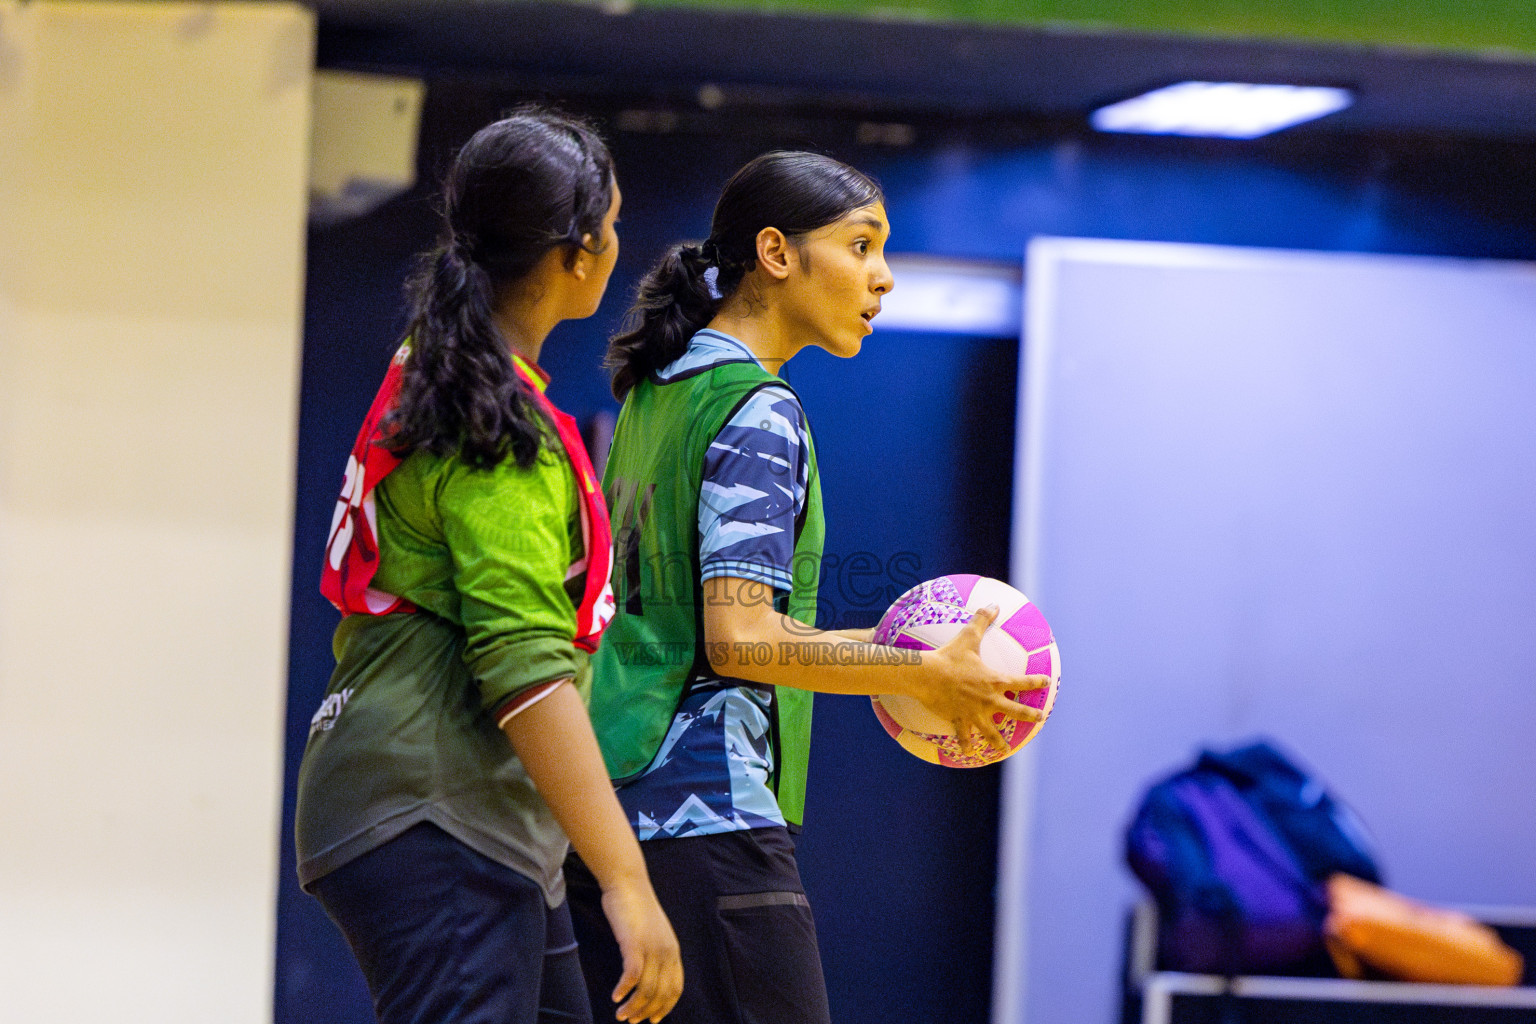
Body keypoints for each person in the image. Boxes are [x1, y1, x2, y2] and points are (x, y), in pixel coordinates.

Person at [565, 151, 1050, 1024]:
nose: (884, 276)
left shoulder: (654, 394)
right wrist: (914, 669)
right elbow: (741, 638)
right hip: (707, 815)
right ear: (777, 254)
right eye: (861, 246)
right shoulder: (758, 408)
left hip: (610, 815)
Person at [294, 109, 682, 1024]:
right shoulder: (492, 425)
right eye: (614, 225)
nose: (619, 244)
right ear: (577, 253)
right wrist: (626, 881)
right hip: (433, 805)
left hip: (450, 809)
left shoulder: (445, 368)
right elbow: (525, 677)